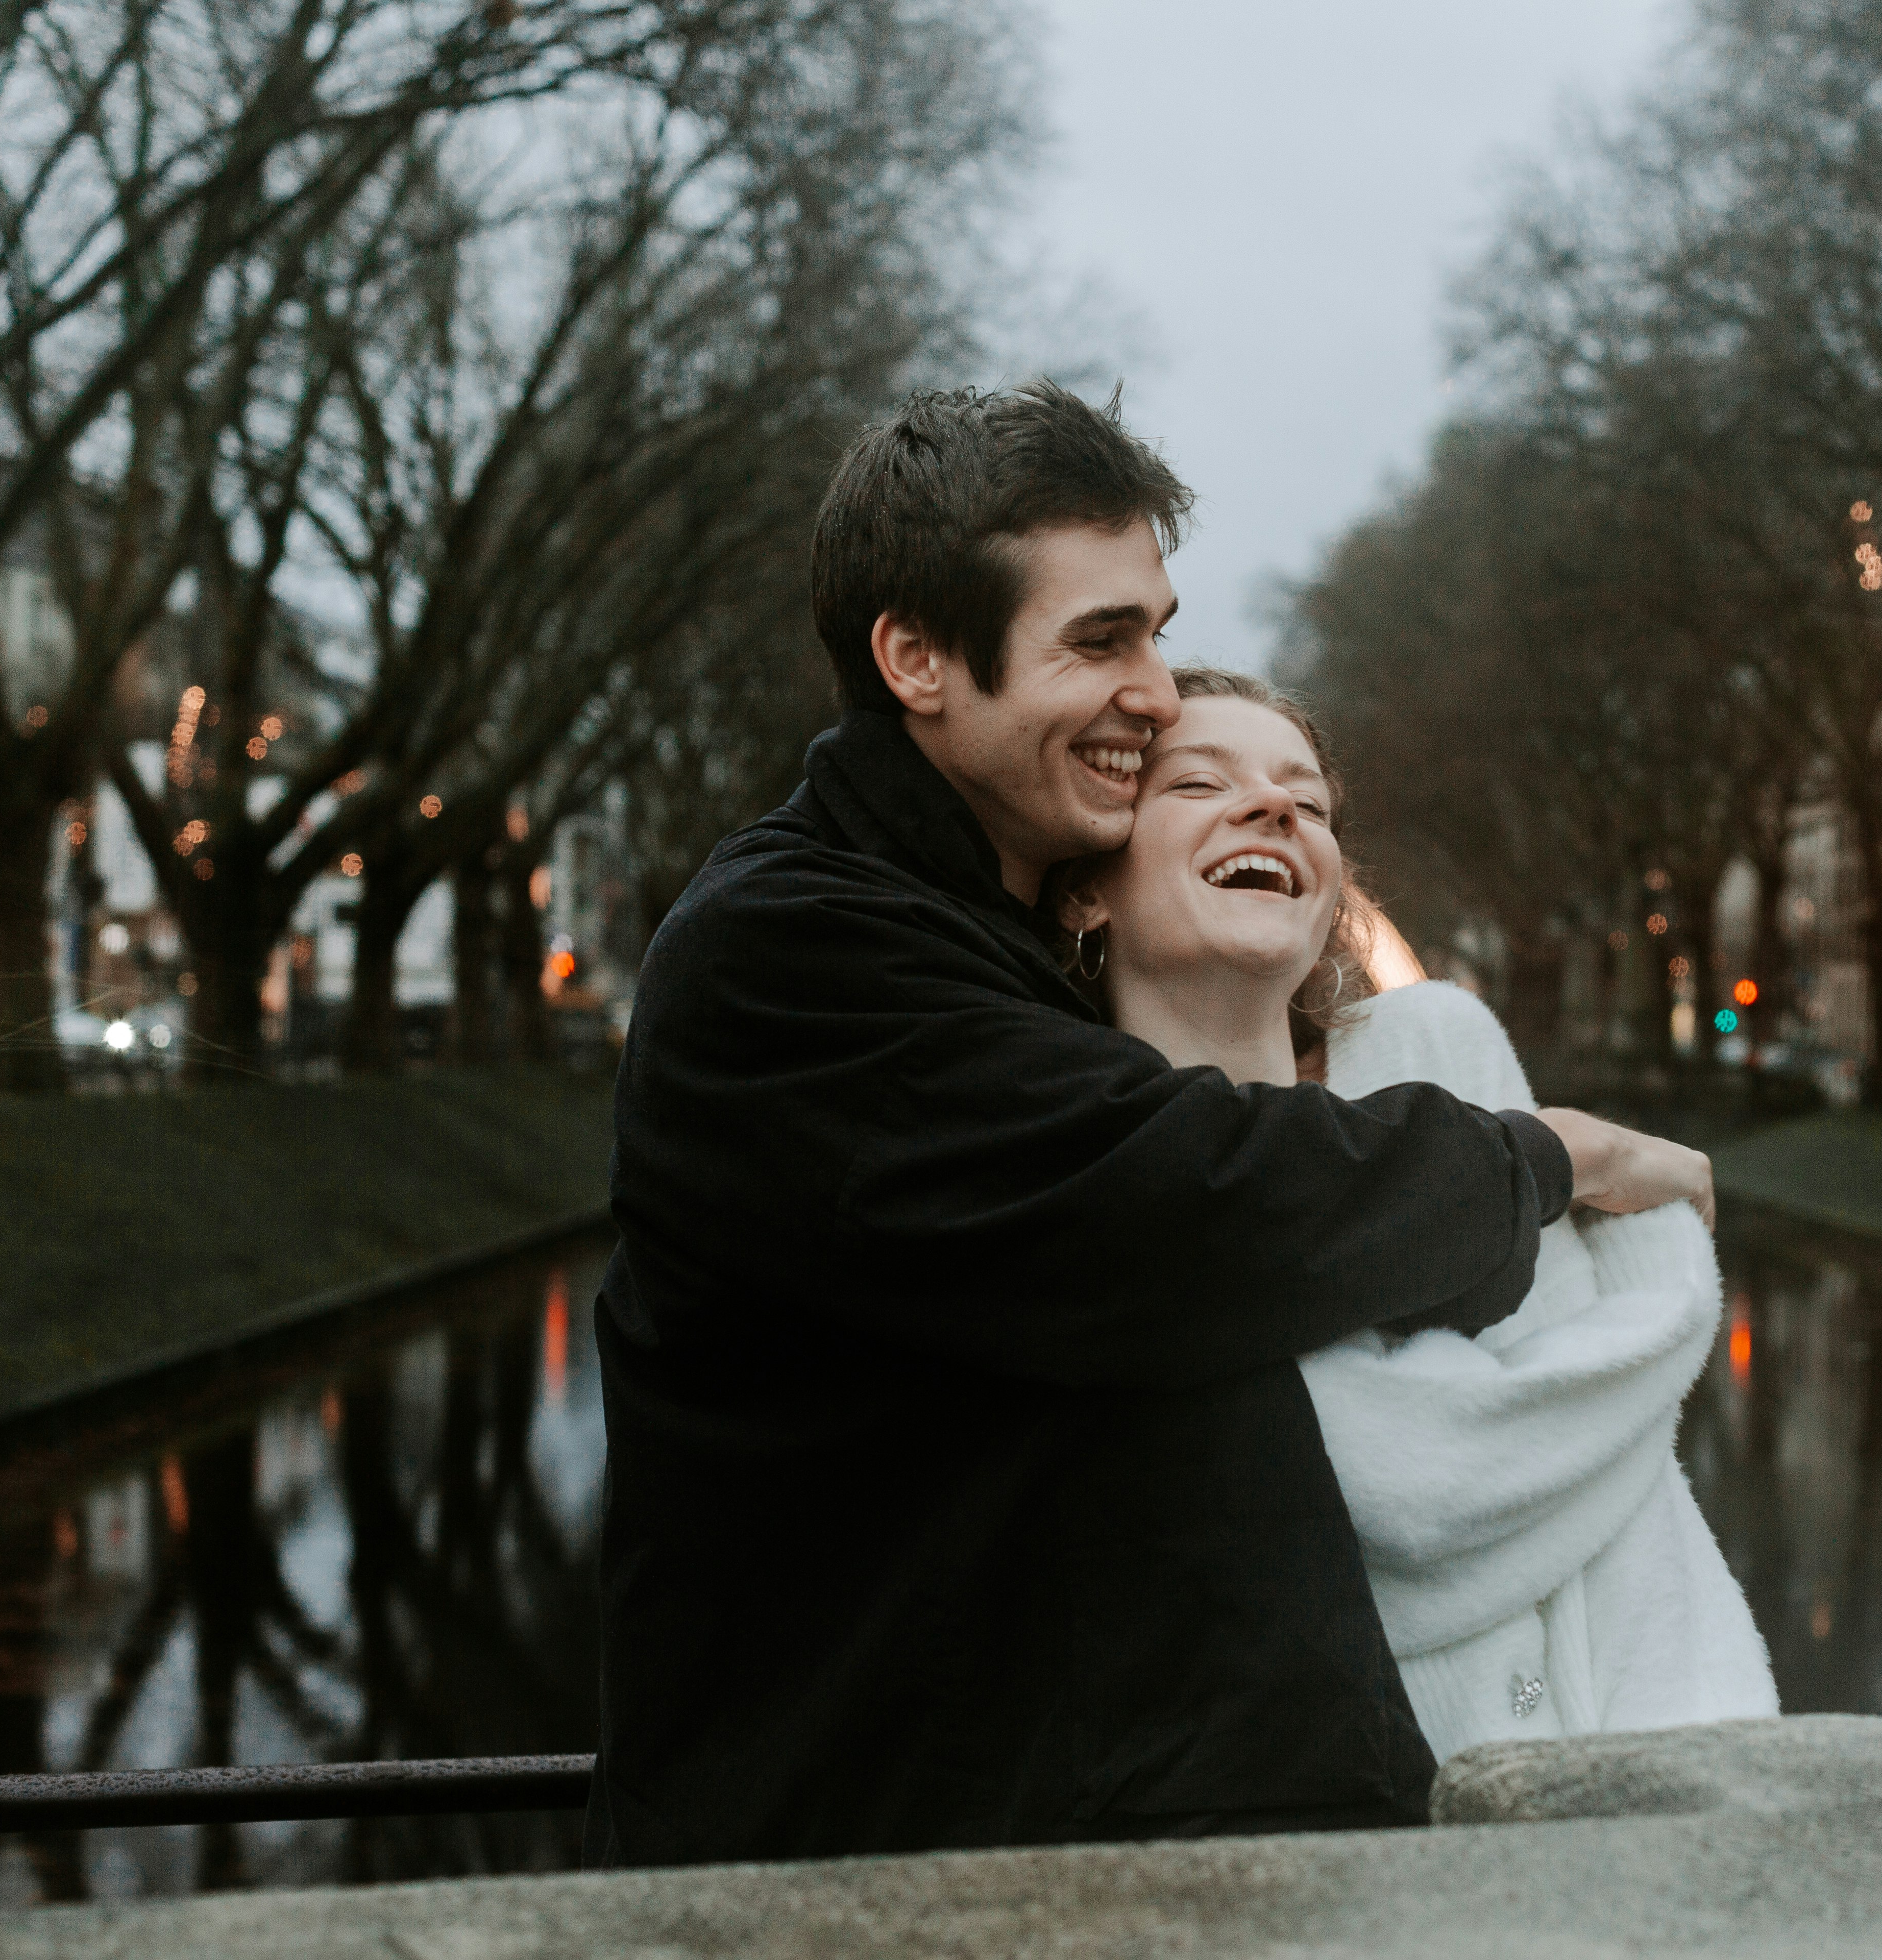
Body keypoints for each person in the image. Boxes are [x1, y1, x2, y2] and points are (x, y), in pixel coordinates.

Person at [588, 381, 1712, 1866]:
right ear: (917, 657)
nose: (1159, 691)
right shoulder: (791, 948)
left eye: (1160, 632)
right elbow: (1189, 1203)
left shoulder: (967, 935)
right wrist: (1554, 1158)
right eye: (1101, 641)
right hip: (886, 1881)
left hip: (1073, 1863)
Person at [1050, 669, 1774, 1763]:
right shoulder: (1056, 1175)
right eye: (1200, 782)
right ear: (1084, 890)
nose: (1274, 809)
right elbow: (1460, 1472)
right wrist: (1578, 1160)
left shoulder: (1437, 1055)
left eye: (1311, 801)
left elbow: (1642, 1542)